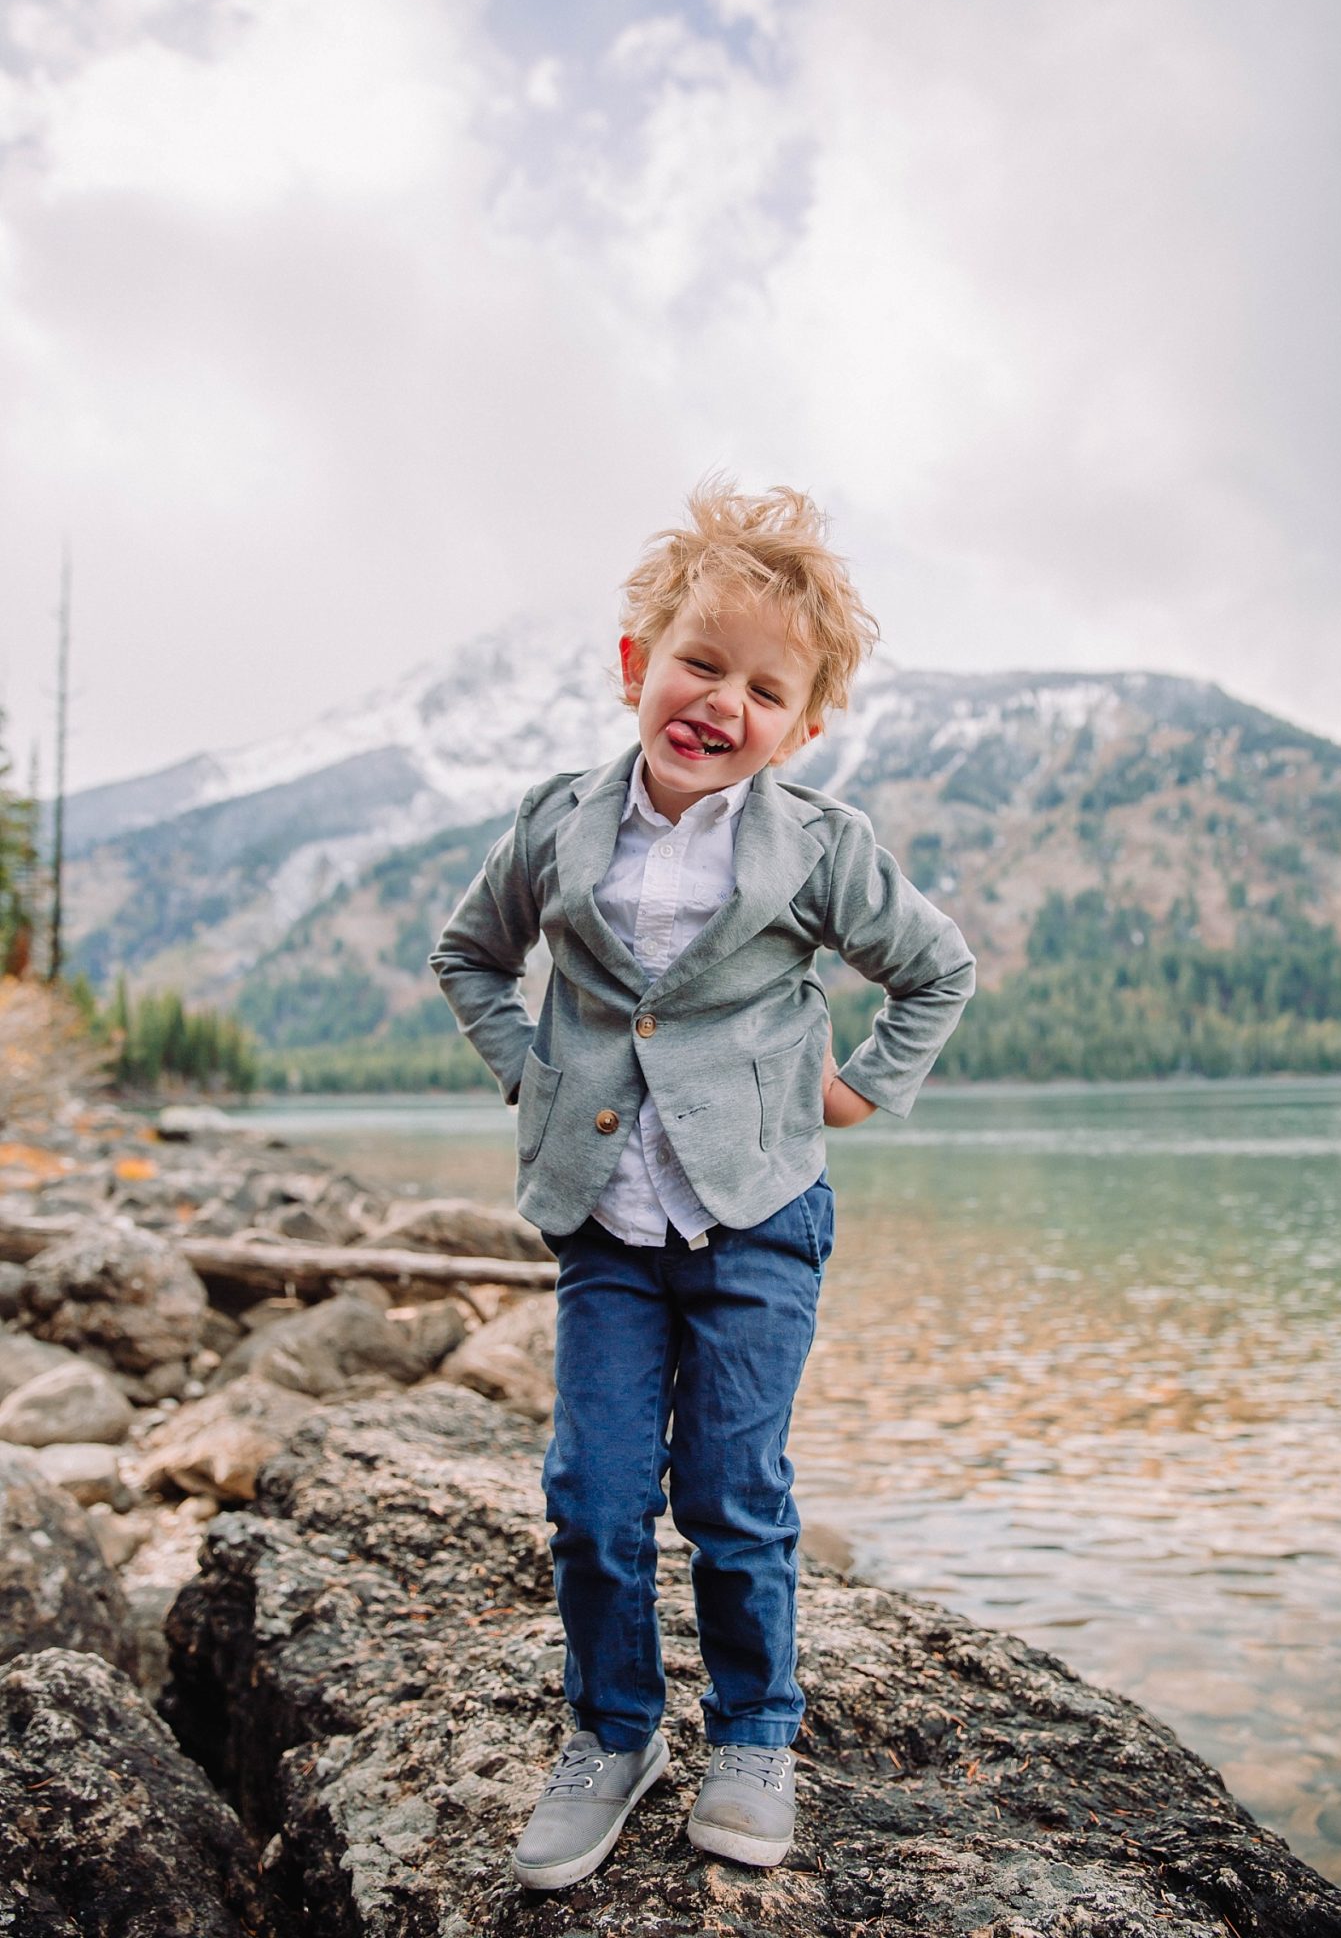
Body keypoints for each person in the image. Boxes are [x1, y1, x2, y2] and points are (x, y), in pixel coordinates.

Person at [429, 480, 975, 1891]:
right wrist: (528, 1074)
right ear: (635, 668)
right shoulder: (557, 825)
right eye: (698, 663)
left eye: (763, 688)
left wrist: (859, 1088)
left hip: (757, 1219)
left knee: (734, 1492)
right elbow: (469, 958)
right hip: (605, 1225)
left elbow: (935, 969)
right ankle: (614, 1733)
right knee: (591, 1496)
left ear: (802, 727)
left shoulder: (817, 847)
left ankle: (751, 1735)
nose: (721, 700)